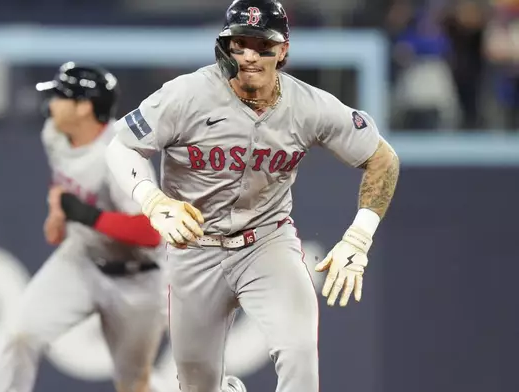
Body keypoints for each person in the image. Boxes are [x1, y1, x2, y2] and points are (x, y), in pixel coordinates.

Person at [104, 0, 401, 391]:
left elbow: (383, 158)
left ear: (283, 50)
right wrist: (153, 201)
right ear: (224, 48)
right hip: (194, 248)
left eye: (263, 45)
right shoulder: (186, 95)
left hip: (266, 243)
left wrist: (360, 236)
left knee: (298, 356)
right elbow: (119, 145)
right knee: (197, 384)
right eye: (239, 44)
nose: (250, 55)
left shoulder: (308, 106)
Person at [0, 62, 169, 392]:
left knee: (134, 385)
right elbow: (66, 182)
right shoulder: (55, 133)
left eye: (60, 96)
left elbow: (152, 232)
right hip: (81, 259)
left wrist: (87, 216)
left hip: (138, 279)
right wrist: (58, 211)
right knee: (21, 336)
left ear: (84, 107)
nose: (51, 103)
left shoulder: (122, 155)